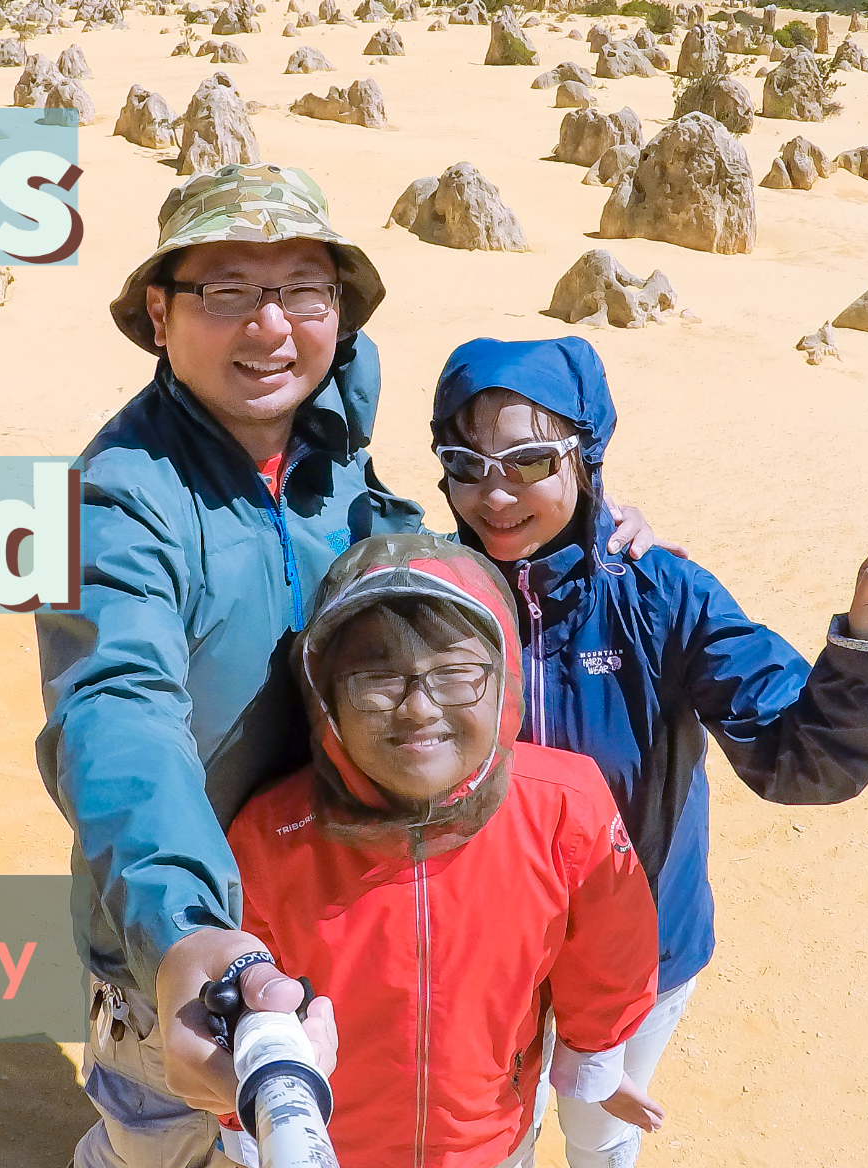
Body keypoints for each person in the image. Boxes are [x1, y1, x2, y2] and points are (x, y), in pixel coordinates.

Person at [35, 165, 669, 1168]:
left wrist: (578, 533)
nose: (269, 328)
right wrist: (188, 935)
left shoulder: (330, 453)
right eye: (226, 292)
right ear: (159, 313)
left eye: (301, 290)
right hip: (186, 933)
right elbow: (118, 711)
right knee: (161, 1132)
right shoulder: (116, 504)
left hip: (346, 899)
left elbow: (415, 580)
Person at [425, 336, 868, 1168]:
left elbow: (796, 753)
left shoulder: (660, 593)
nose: (495, 492)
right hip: (483, 949)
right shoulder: (429, 597)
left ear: (586, 458)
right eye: (466, 462)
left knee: (599, 1129)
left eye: (528, 459)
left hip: (643, 948)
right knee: (490, 1136)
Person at [225, 532, 664, 1168]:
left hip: (488, 1142)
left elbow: (610, 951)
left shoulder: (562, 804)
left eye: (457, 673)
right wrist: (249, 1121)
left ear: (505, 677)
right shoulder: (273, 834)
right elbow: (239, 1003)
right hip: (328, 1149)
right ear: (325, 697)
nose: (418, 708)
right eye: (377, 678)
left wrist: (594, 1053)